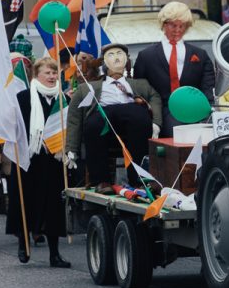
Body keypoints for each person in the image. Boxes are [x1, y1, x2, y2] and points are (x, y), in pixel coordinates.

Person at [66, 43, 162, 193]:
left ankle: (139, 179)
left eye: (120, 54)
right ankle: (101, 180)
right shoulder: (88, 88)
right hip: (102, 113)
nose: (116, 58)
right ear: (104, 63)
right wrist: (71, 148)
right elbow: (74, 117)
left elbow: (155, 98)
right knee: (93, 124)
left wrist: (156, 123)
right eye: (111, 55)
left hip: (131, 113)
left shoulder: (140, 84)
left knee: (140, 118)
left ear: (127, 61)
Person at [8, 57, 70, 267]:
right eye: (48, 73)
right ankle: (23, 243)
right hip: (29, 158)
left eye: (55, 73)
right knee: (27, 200)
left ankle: (55, 253)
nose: (53, 77)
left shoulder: (63, 99)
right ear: (37, 75)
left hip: (53, 159)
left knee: (54, 205)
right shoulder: (23, 98)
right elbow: (13, 126)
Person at [133, 2, 215, 137]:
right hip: (162, 113)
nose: (178, 30)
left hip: (196, 111)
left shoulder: (201, 55)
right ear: (164, 24)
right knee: (177, 132)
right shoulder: (146, 57)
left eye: (182, 26)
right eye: (173, 25)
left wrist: (207, 112)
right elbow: (140, 91)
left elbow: (208, 89)